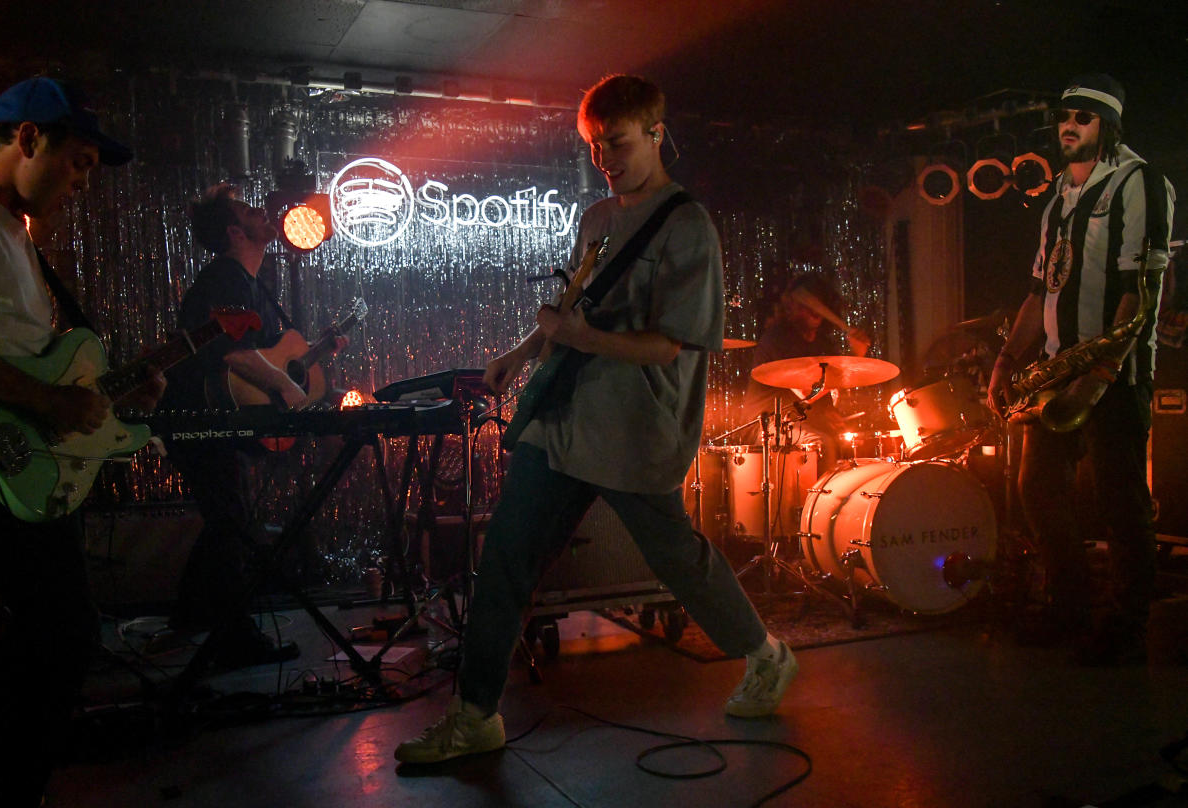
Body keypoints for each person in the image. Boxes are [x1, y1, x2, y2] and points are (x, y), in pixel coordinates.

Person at [395, 74, 798, 765]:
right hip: (566, 420)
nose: (605, 158)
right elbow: (573, 309)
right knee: (505, 560)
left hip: (635, 430)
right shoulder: (597, 220)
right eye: (593, 145)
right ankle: (475, 715)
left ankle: (765, 655)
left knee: (679, 559)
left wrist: (580, 340)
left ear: (656, 134)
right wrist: (521, 354)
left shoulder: (687, 225)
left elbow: (668, 345)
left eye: (617, 142)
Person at [0, 77, 162, 806]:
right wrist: (46, 401)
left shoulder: (16, 235)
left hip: (21, 461)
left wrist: (107, 395)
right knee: (66, 631)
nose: (82, 182)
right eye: (79, 163)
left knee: (56, 631)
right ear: (30, 137)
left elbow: (36, 364)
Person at [987, 73, 1174, 665]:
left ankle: (1126, 625)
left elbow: (1138, 286)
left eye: (1083, 117)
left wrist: (1101, 371)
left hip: (1111, 372)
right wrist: (1007, 360)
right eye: (1064, 117)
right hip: (1054, 371)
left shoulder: (1139, 183)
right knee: (1037, 490)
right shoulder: (1056, 201)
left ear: (1108, 125)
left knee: (1120, 502)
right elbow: (1038, 288)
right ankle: (1070, 608)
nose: (1068, 126)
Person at [156, 183, 310, 667]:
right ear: (234, 230)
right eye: (248, 209)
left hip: (215, 419)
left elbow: (259, 354)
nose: (263, 210)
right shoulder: (226, 277)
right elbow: (235, 352)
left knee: (230, 520)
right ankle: (232, 635)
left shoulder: (248, 282)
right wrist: (288, 388)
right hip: (199, 418)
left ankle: (193, 619)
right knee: (232, 521)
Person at [741, 274, 871, 469]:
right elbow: (806, 393)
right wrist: (854, 357)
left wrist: (830, 415)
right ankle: (817, 500)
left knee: (853, 443)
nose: (814, 308)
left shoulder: (823, 344)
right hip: (767, 425)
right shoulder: (778, 339)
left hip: (800, 422)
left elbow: (826, 398)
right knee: (819, 444)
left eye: (819, 302)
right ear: (791, 307)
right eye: (806, 303)